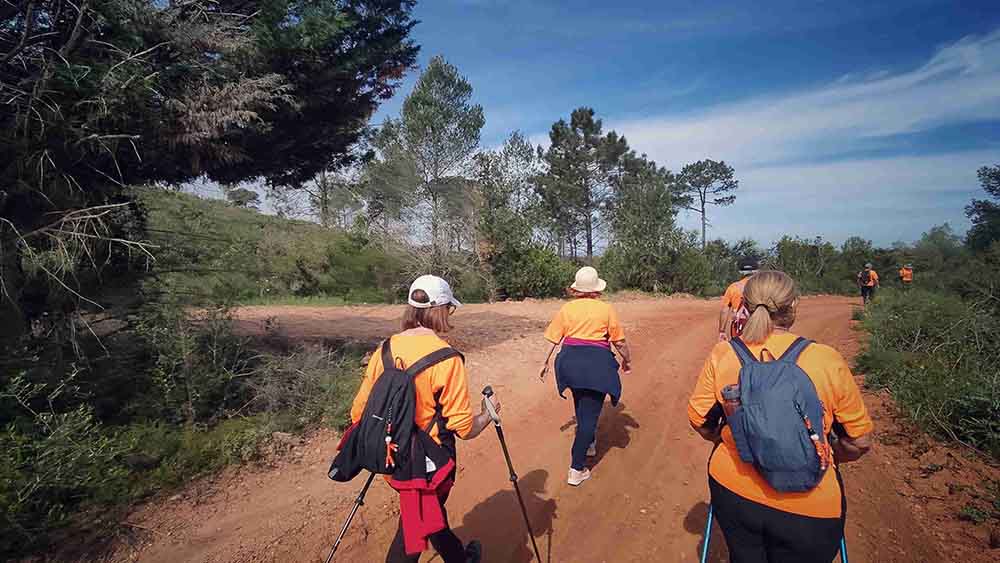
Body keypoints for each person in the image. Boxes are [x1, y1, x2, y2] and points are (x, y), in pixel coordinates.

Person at [687, 271, 874, 563]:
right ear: (795, 305)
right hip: (811, 504)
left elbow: (701, 420)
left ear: (745, 307)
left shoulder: (724, 353)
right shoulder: (825, 358)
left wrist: (738, 439)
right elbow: (858, 441)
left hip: (734, 490)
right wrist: (818, 454)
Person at [349, 275, 500, 563]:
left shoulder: (385, 349)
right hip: (430, 465)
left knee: (429, 514)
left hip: (390, 456)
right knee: (413, 531)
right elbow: (463, 428)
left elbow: (358, 412)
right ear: (441, 310)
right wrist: (488, 414)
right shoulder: (447, 358)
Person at [538, 266, 632, 487]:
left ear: (577, 289)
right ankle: (576, 468)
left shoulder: (567, 309)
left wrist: (544, 362)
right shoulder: (606, 309)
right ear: (597, 289)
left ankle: (588, 443)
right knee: (589, 416)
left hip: (569, 362)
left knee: (582, 405)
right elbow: (619, 342)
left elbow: (554, 338)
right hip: (596, 364)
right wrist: (627, 360)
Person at [719, 259, 758, 341]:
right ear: (756, 271)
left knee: (738, 351)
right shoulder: (763, 287)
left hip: (738, 328)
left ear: (740, 272)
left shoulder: (733, 287)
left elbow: (724, 310)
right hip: (758, 326)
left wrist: (722, 331)